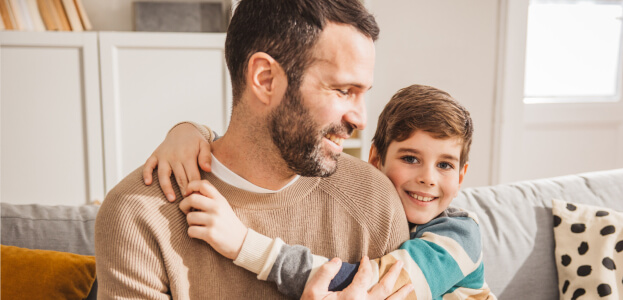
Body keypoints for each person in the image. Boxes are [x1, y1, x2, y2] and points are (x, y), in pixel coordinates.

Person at [94, 0, 413, 299]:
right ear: (265, 79)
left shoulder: (374, 199)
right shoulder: (138, 215)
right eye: (343, 91)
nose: (360, 118)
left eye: (363, 94)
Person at [146, 85, 497, 299]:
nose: (428, 178)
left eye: (446, 165)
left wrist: (243, 244)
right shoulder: (369, 213)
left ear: (463, 174)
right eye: (410, 158)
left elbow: (368, 287)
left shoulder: (459, 236)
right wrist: (192, 132)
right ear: (375, 158)